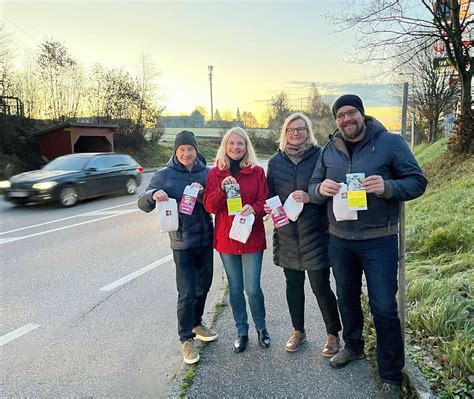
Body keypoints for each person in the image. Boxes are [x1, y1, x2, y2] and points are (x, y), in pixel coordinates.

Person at [308, 95, 427, 396]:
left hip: (379, 240)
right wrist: (320, 189)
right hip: (340, 240)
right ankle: (354, 346)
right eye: (341, 116)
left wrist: (388, 187)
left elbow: (417, 181)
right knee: (346, 298)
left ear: (362, 114)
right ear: (336, 120)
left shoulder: (390, 143)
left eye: (351, 113)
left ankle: (391, 375)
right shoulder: (329, 150)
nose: (346, 120)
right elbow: (312, 187)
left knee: (384, 307)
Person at [138, 130, 217, 365]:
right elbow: (142, 203)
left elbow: (216, 202)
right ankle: (186, 339)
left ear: (196, 150)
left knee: (204, 285)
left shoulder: (207, 172)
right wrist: (153, 194)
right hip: (182, 242)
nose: (186, 153)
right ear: (176, 151)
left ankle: (197, 323)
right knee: (187, 291)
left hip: (206, 239)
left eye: (190, 149)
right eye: (181, 149)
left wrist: (204, 195)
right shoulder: (164, 175)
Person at [265, 112, 342, 355]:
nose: (296, 133)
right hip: (287, 233)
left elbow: (330, 190)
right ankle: (298, 331)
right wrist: (269, 207)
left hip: (316, 232)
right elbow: (269, 193)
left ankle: (332, 334)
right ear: (284, 133)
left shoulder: (320, 157)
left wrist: (311, 196)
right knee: (293, 285)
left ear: (308, 132)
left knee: (320, 286)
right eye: (291, 129)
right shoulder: (275, 162)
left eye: (301, 129)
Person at [204, 126, 270, 353]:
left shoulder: (257, 172)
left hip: (251, 237)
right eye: (231, 143)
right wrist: (222, 190)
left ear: (246, 147)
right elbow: (210, 206)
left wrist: (254, 208)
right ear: (225, 146)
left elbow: (265, 201)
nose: (235, 147)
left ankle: (261, 328)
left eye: (240, 143)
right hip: (226, 239)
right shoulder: (215, 174)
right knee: (235, 289)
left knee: (252, 289)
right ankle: (242, 332)